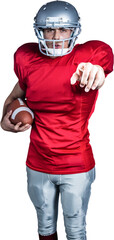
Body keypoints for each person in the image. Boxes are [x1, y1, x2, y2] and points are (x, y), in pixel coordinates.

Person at [0, 1, 113, 240]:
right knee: (44, 224)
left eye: (63, 29)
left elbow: (102, 61)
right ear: (39, 31)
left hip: (75, 162)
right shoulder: (27, 58)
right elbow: (14, 96)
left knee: (75, 228)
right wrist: (4, 119)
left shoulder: (88, 58)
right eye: (49, 30)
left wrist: (97, 72)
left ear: (74, 31)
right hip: (37, 160)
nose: (55, 36)